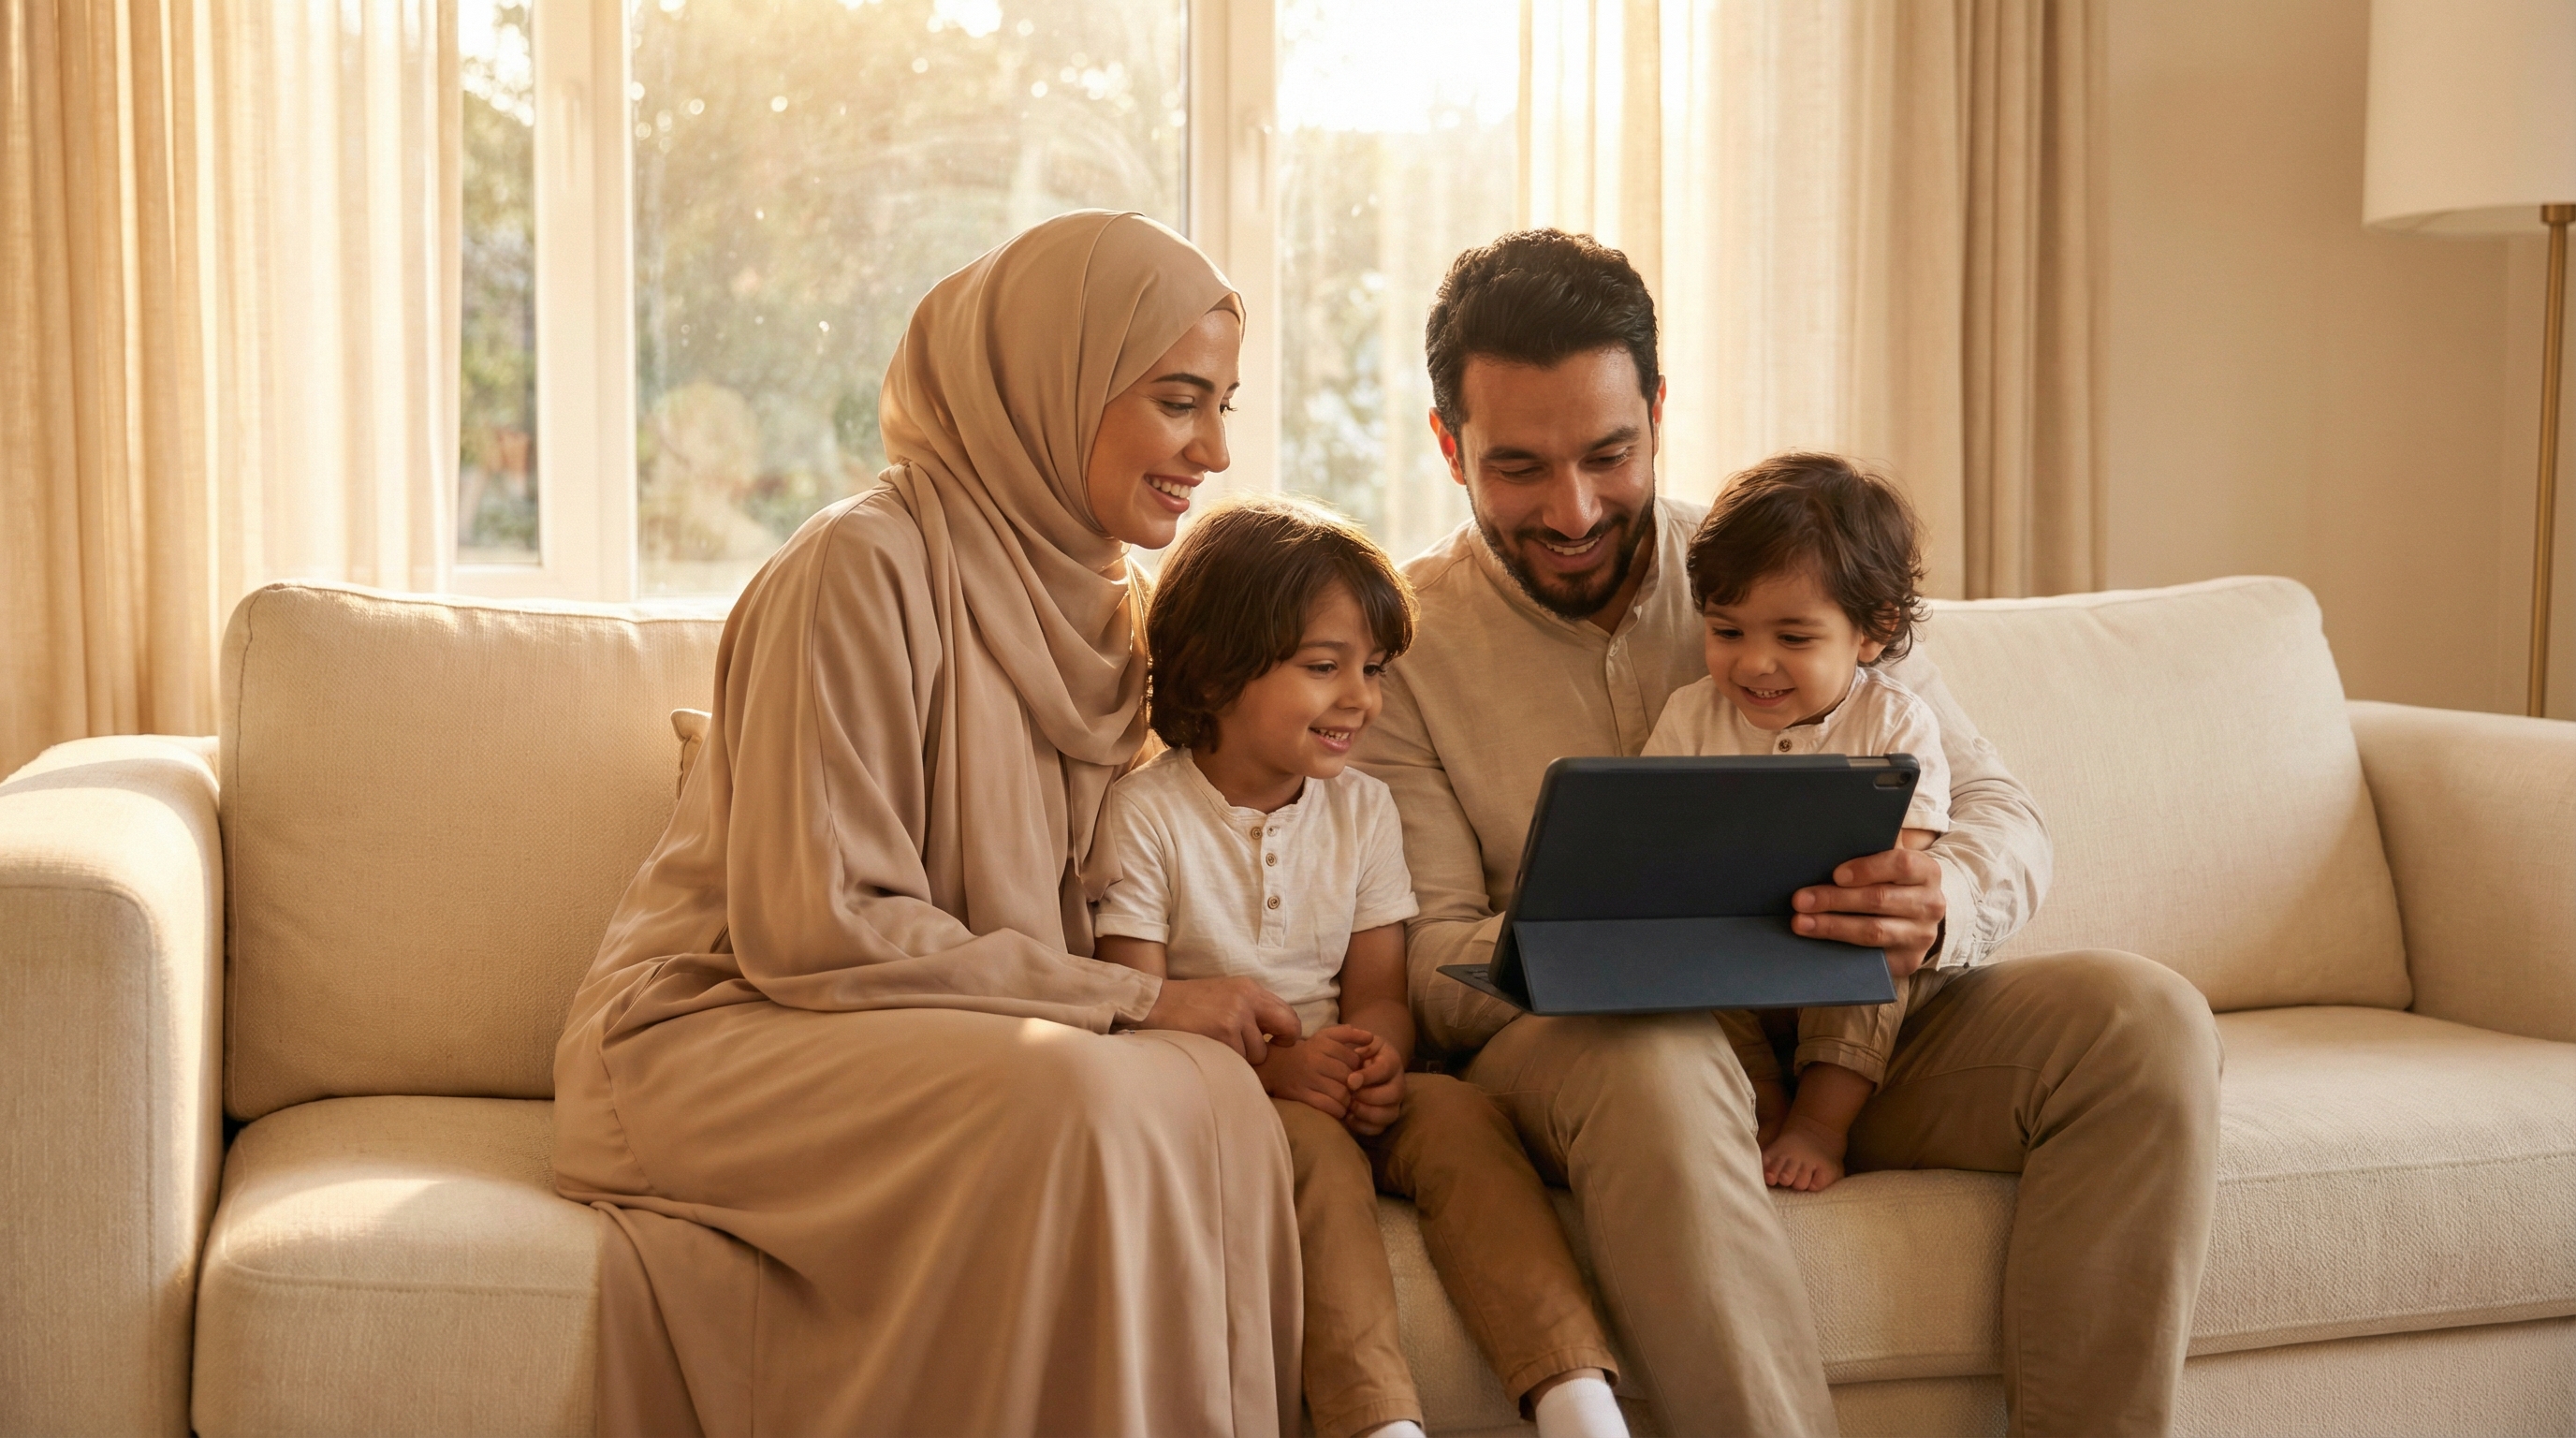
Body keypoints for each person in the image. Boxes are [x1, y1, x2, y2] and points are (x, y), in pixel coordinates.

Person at [1356, 228, 2224, 1437]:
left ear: (1659, 410)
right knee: (1664, 1062)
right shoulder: (1399, 652)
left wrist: (1944, 905)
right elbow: (1435, 950)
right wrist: (1616, 959)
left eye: (1611, 454)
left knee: (2144, 1025)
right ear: (1448, 447)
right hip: (1600, 1049)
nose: (1575, 508)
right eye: (1519, 469)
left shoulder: (1790, 561)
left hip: (1854, 1023)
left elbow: (2000, 814)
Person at [551, 212, 1309, 1437]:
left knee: (1212, 1100)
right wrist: (1132, 1004)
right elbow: (821, 925)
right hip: (721, 1029)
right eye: (1180, 400)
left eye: (1224, 403)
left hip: (945, 1030)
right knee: (1082, 1103)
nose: (1216, 447)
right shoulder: (858, 568)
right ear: (1050, 384)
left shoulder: (1122, 605)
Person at [1092, 496, 1629, 1438]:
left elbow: (1379, 994)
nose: (1360, 699)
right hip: (1230, 1097)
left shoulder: (1363, 811)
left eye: (1371, 670)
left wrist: (1377, 1056)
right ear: (1219, 669)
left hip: (1339, 1069)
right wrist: (1278, 1073)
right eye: (1323, 667)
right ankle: (1377, 1421)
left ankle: (1574, 1395)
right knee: (1316, 1156)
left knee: (1459, 1116)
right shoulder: (1146, 816)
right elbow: (1141, 1015)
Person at [1641, 452, 1954, 1194]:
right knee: (1679, 961)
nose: (1754, 664)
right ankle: (1766, 1106)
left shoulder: (1897, 724)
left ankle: (1819, 1123)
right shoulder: (1691, 716)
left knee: (1872, 959)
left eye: (1793, 637)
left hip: (1838, 938)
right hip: (1732, 938)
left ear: (1872, 631)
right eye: (1727, 631)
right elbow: (1652, 831)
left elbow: (1897, 874)